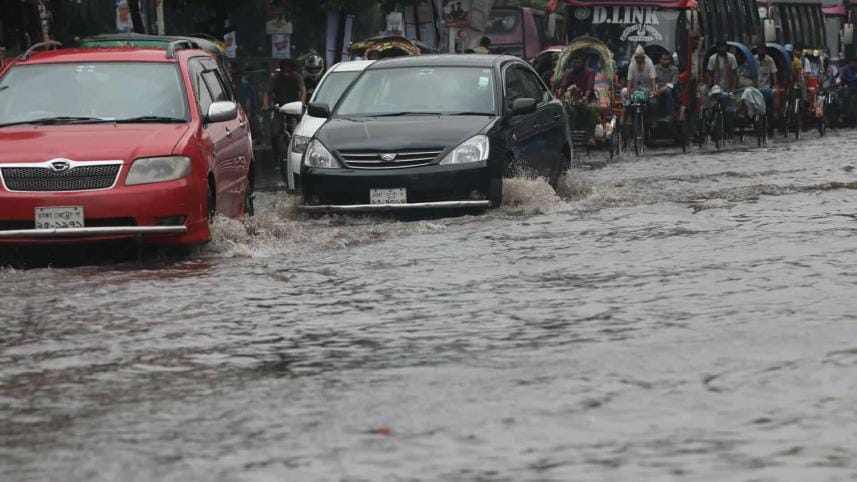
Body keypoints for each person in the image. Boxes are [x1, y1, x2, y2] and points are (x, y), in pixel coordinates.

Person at [558, 54, 600, 144]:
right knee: (563, 110)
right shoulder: (569, 72)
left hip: (589, 98)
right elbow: (563, 85)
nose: (576, 64)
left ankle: (591, 136)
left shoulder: (590, 72)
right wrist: (560, 93)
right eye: (574, 62)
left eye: (578, 62)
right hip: (574, 98)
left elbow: (590, 86)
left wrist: (585, 97)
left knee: (592, 109)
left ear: (583, 63)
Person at [655, 51, 678, 119]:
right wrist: (656, 89)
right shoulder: (655, 68)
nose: (667, 61)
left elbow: (673, 83)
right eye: (665, 59)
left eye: (668, 59)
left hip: (669, 89)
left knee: (668, 91)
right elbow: (652, 80)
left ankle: (669, 114)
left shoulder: (674, 69)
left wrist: (660, 90)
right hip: (656, 88)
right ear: (660, 60)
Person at [756, 43, 778, 117]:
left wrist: (775, 86)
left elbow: (773, 73)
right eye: (759, 49)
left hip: (766, 87)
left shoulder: (770, 60)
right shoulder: (753, 59)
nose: (760, 51)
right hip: (755, 87)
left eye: (762, 49)